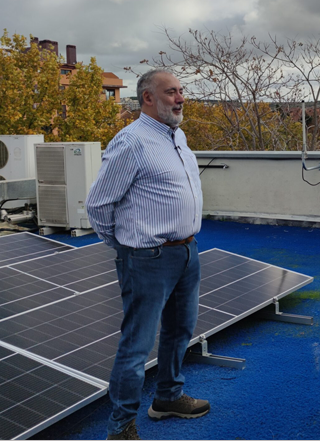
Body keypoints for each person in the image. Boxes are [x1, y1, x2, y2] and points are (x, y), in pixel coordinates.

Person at [86, 68, 208, 441]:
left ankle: (168, 398)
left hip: (186, 251)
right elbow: (98, 205)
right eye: (171, 92)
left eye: (181, 91)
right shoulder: (131, 142)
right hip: (148, 257)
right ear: (148, 99)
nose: (180, 98)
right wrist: (127, 247)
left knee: (179, 331)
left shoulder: (177, 135)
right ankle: (121, 427)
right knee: (137, 345)